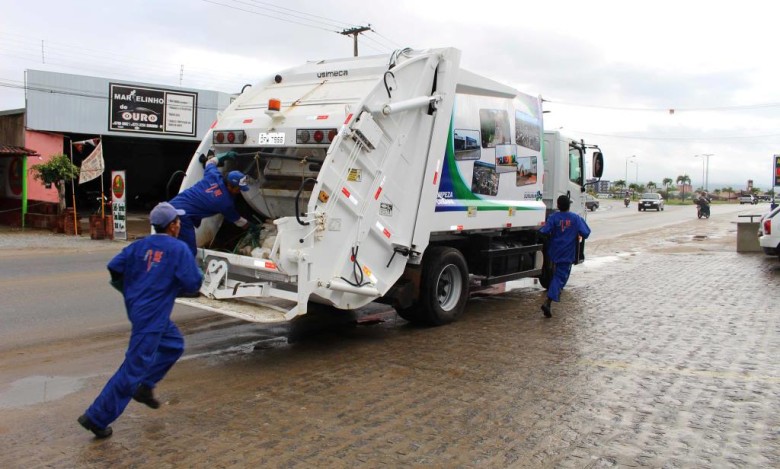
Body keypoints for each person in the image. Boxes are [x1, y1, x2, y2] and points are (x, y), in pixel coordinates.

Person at [78, 202, 203, 439]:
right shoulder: (179, 249)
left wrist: (132, 290)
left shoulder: (139, 245)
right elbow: (193, 283)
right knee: (132, 369)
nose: (180, 225)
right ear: (174, 225)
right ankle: (97, 417)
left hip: (139, 310)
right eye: (178, 221)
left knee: (174, 344)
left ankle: (145, 386)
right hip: (152, 318)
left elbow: (114, 267)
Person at [170, 155, 251, 257]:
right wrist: (251, 226)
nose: (240, 191)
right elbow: (238, 221)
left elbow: (210, 162)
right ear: (230, 185)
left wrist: (224, 155)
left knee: (172, 243)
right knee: (190, 251)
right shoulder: (225, 203)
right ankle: (186, 270)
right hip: (182, 215)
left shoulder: (214, 176)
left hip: (171, 206)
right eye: (238, 189)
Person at [539, 195, 591, 318]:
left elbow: (544, 231)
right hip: (567, 253)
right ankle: (548, 302)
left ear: (558, 205)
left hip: (554, 251)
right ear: (569, 205)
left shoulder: (553, 217)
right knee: (560, 277)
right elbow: (586, 233)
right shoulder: (575, 218)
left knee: (557, 276)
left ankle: (553, 295)